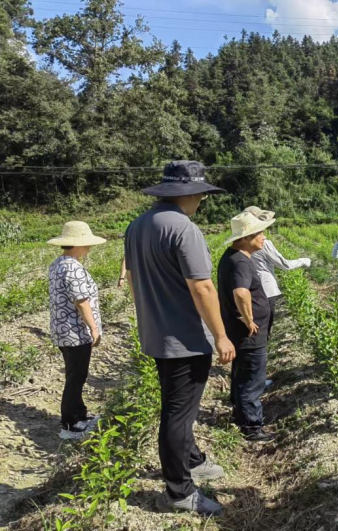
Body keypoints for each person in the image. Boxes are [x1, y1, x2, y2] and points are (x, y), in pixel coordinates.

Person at [124, 161, 235, 516]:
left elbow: (132, 280)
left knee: (177, 407)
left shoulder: (137, 225)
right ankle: (179, 491)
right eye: (201, 193)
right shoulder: (184, 229)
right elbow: (202, 286)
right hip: (186, 338)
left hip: (157, 333)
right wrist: (221, 335)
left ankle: (193, 459)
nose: (202, 200)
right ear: (191, 193)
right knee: (177, 415)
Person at [218, 212, 276, 443]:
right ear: (246, 237)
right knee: (252, 378)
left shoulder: (234, 257)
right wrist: (249, 319)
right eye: (259, 233)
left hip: (241, 332)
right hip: (249, 334)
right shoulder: (240, 261)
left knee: (243, 374)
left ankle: (240, 414)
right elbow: (241, 292)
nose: (263, 237)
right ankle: (252, 427)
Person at [47, 221, 105, 440]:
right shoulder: (73, 267)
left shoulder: (57, 263)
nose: (89, 247)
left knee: (75, 374)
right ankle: (70, 426)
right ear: (77, 244)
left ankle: (79, 415)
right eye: (86, 244)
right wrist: (94, 328)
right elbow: (81, 301)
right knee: (76, 377)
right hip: (75, 331)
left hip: (62, 330)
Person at [242, 206, 311, 338]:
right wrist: (303, 261)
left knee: (252, 328)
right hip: (266, 291)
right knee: (263, 330)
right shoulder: (264, 243)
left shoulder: (241, 243)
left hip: (248, 290)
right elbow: (284, 265)